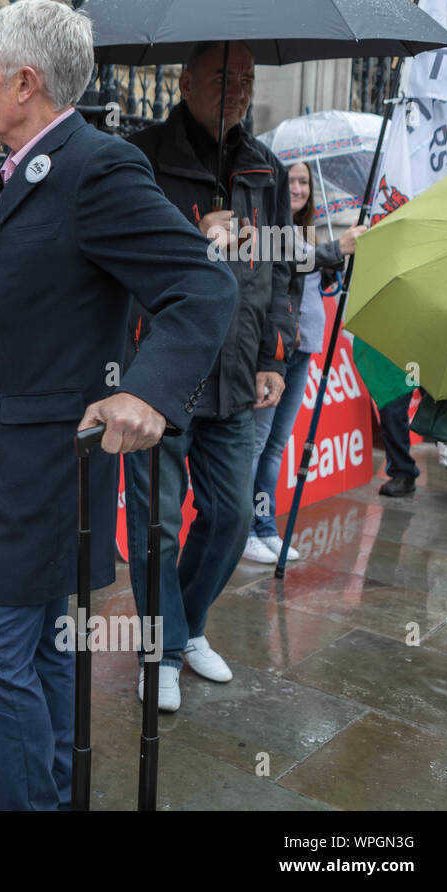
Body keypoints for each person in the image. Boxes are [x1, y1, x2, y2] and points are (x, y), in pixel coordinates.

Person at [0, 0, 236, 811]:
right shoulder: (35, 161)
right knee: (45, 650)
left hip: (43, 471)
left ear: (26, 83)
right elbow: (52, 293)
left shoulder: (95, 166)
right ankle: (60, 794)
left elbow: (201, 286)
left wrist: (148, 392)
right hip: (13, 448)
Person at [121, 40, 299, 711]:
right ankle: (159, 651)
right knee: (156, 525)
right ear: (185, 80)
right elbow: (120, 254)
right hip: (161, 372)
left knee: (229, 517)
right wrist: (194, 234)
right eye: (223, 75)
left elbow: (280, 272)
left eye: (248, 78)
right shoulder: (140, 155)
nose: (238, 88)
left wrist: (275, 355)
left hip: (234, 370)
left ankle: (184, 628)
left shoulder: (265, 167)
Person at [243, 160, 366, 563]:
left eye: (304, 183)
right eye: (290, 181)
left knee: (276, 446)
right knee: (257, 445)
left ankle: (264, 526)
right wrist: (336, 249)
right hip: (274, 352)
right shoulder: (271, 229)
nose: (297, 189)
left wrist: (332, 267)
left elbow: (312, 277)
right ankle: (243, 531)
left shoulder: (310, 231)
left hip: (305, 348)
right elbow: (291, 260)